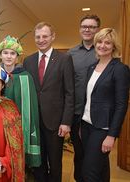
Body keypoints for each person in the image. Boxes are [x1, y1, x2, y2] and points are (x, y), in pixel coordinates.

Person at [23, 22, 75, 182]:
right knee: (38, 163)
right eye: (38, 37)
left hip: (55, 122)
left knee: (55, 163)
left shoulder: (64, 59)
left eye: (45, 36)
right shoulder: (28, 61)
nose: (41, 40)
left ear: (53, 37)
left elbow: (69, 93)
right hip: (34, 122)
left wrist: (66, 122)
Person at [81, 28, 130, 182]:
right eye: (100, 42)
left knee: (89, 172)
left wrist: (112, 135)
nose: (103, 45)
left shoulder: (120, 69)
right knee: (101, 169)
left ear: (114, 46)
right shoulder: (91, 68)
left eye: (107, 42)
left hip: (103, 129)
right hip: (87, 124)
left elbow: (121, 104)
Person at [0, 35, 41, 179]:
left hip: (18, 126)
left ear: (17, 57)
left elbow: (31, 107)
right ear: (1, 55)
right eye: (5, 52)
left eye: (12, 53)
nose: (9, 56)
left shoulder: (25, 76)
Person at [67, 14, 101, 182]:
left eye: (92, 27)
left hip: (99, 115)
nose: (87, 29)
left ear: (98, 30)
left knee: (97, 156)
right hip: (77, 113)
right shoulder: (71, 54)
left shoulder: (103, 51)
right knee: (79, 155)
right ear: (80, 29)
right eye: (84, 26)